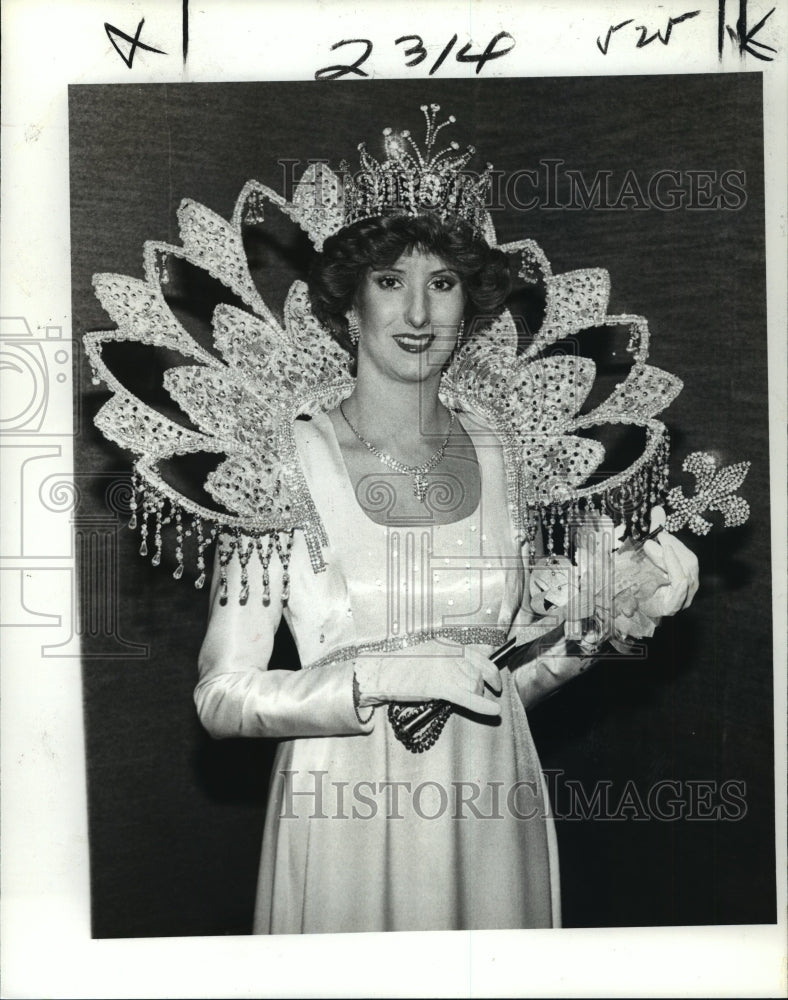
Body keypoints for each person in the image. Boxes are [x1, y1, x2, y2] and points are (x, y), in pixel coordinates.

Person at [87, 104, 702, 934]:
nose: (417, 313)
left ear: (467, 306)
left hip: (492, 807)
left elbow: (506, 681)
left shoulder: (502, 448)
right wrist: (378, 679)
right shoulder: (278, 459)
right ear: (349, 308)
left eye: (441, 284)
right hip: (342, 812)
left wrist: (606, 619)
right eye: (390, 282)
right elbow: (222, 696)